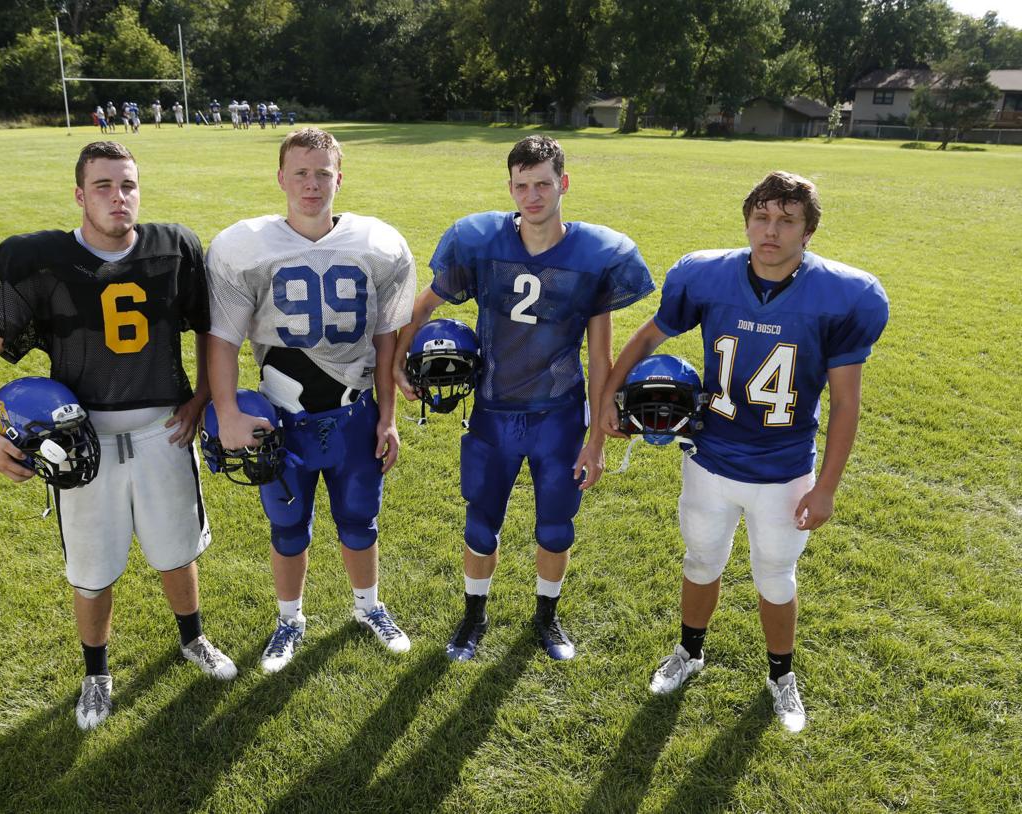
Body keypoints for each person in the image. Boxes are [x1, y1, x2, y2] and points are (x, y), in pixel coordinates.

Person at [599, 170, 889, 732]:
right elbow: (647, 337)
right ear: (747, 221)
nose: (771, 231)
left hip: (783, 469)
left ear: (808, 232)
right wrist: (610, 397)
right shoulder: (706, 276)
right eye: (762, 217)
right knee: (701, 559)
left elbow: (847, 405)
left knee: (775, 576)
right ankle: (689, 652)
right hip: (710, 458)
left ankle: (781, 676)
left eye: (787, 220)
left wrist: (826, 487)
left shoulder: (843, 296)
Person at [0, 141, 236, 731]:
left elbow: (213, 331)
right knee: (92, 568)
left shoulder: (174, 247)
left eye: (128, 185)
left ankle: (193, 639)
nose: (119, 197)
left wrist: (202, 398)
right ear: (80, 194)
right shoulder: (37, 260)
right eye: (105, 186)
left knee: (177, 548)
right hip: (81, 439)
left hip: (164, 429)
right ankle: (96, 673)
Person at [393, 135, 654, 662]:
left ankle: (547, 618)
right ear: (509, 187)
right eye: (521, 185)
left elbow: (599, 357)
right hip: (493, 410)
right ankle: (473, 616)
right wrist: (399, 360)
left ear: (564, 182)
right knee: (479, 520)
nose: (532, 195)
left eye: (542, 183)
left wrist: (596, 441)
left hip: (558, 414)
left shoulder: (596, 255)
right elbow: (424, 304)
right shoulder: (482, 242)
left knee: (556, 525)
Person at [206, 128, 416, 673]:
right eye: (300, 172)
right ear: (280, 178)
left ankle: (369, 607)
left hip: (355, 411)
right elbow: (223, 338)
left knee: (359, 519)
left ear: (339, 178)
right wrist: (227, 410)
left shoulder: (377, 244)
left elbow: (387, 340)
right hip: (281, 419)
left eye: (323, 172)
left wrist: (388, 418)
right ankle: (290, 620)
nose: (311, 183)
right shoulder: (245, 247)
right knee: (287, 525)